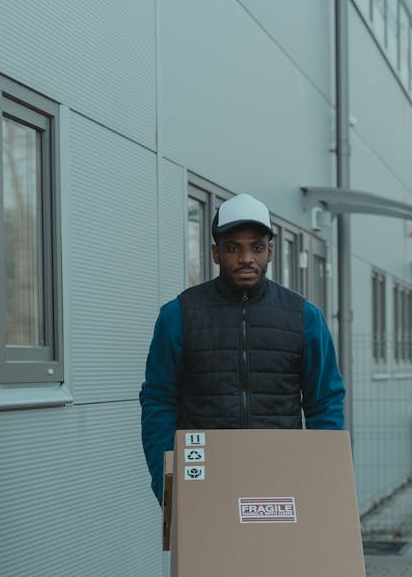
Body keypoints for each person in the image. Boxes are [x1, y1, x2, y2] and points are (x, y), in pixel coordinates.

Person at [139, 192, 345, 502]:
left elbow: (325, 402)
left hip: (282, 479)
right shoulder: (178, 316)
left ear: (270, 252)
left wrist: (320, 478)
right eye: (234, 247)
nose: (246, 258)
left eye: (257, 248)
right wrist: (167, 482)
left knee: (280, 554)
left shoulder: (304, 317)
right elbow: (158, 401)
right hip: (205, 483)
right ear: (215, 252)